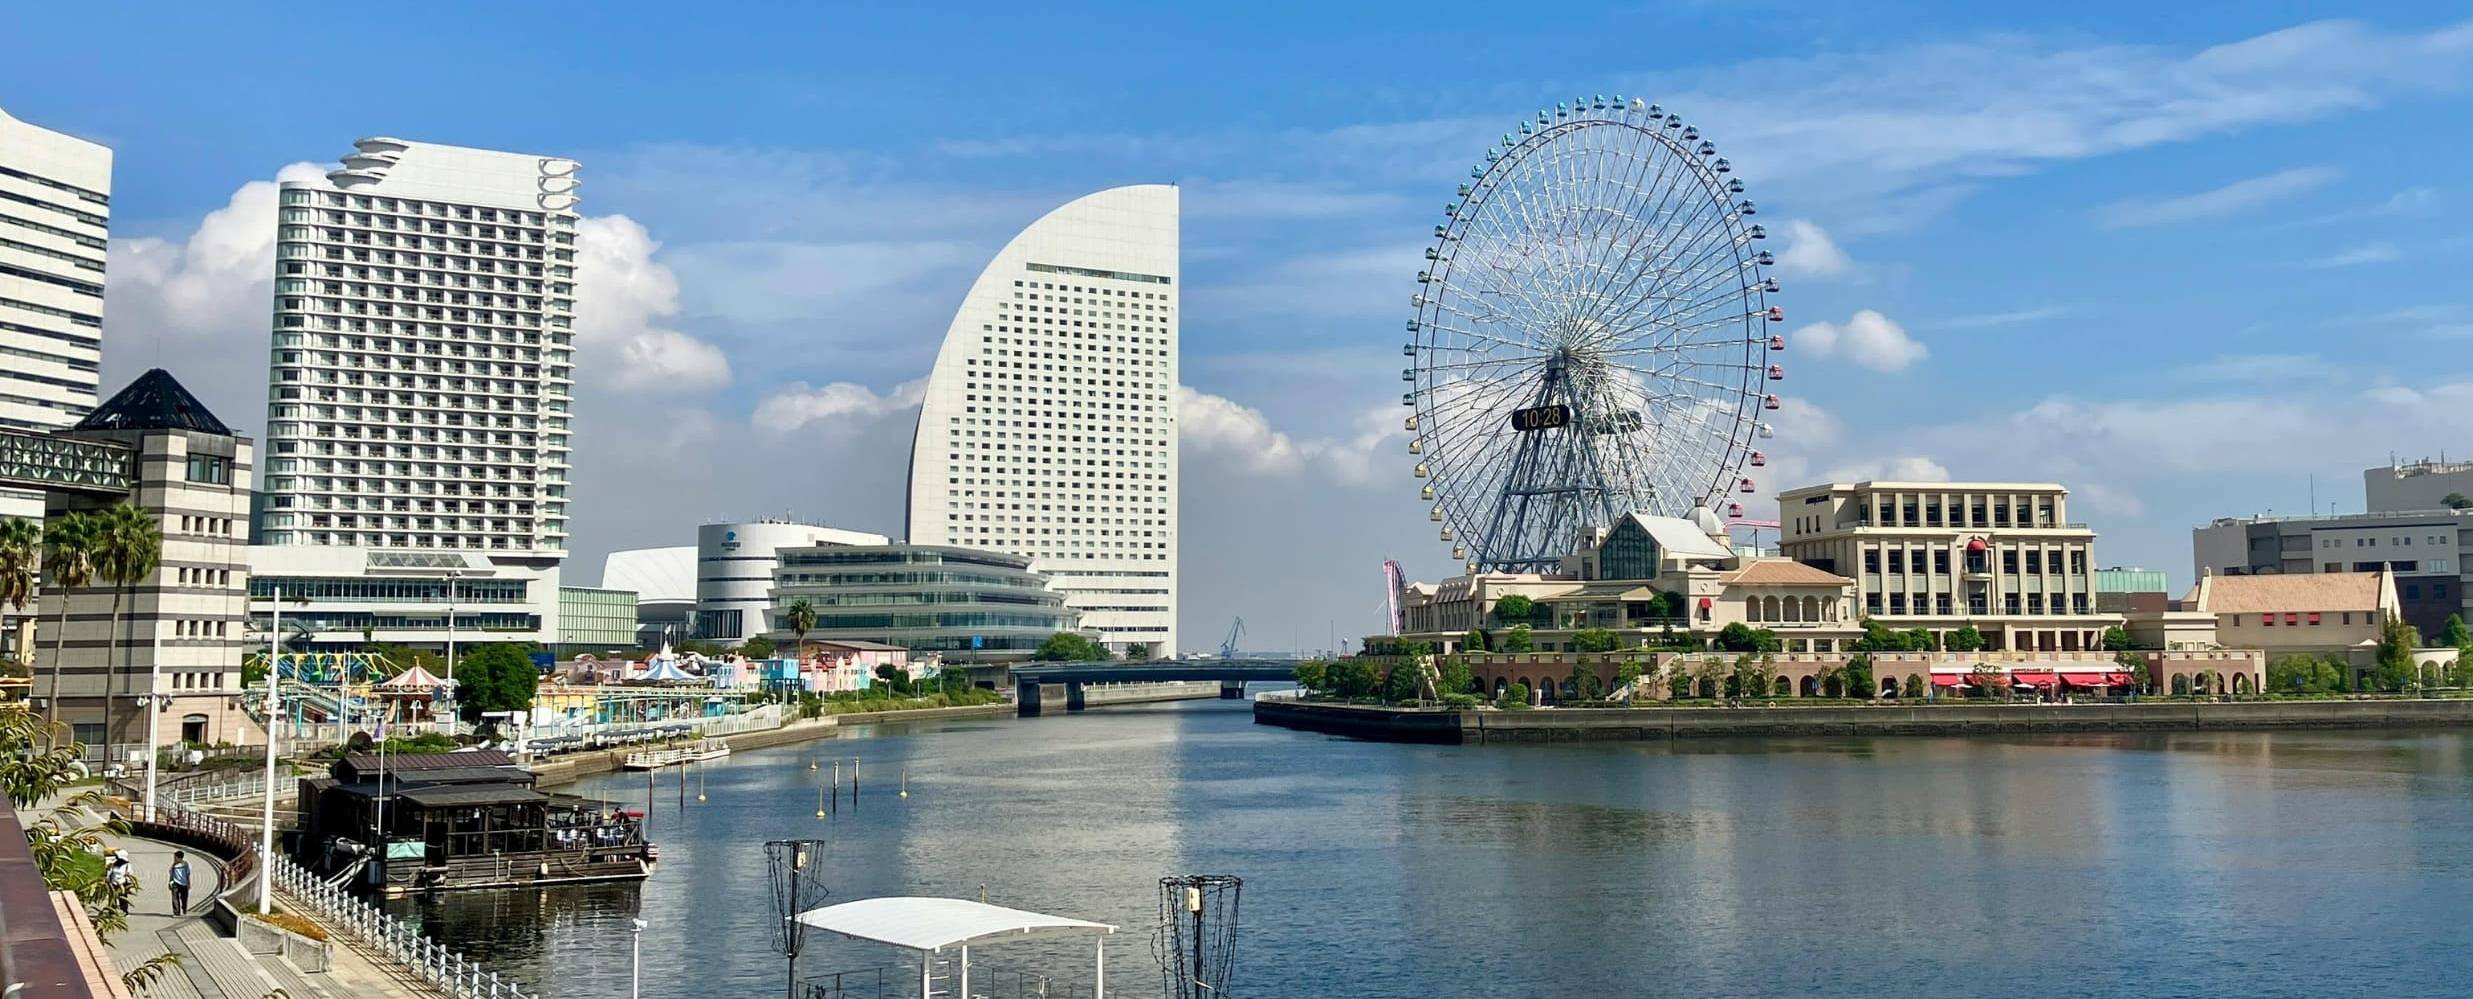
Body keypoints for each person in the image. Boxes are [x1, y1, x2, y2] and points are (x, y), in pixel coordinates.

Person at [167, 851, 192, 915]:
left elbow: (188, 874)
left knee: (184, 899)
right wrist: (169, 882)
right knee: (175, 898)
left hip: (184, 884)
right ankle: (176, 912)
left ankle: (184, 909)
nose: (174, 859)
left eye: (175, 857)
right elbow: (171, 875)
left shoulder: (186, 864)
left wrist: (189, 883)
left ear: (179, 858)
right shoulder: (174, 865)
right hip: (175, 883)